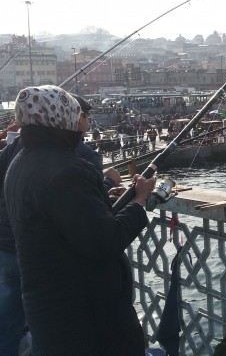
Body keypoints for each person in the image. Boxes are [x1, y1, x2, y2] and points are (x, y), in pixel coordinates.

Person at [4, 85, 156, 355]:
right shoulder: (65, 170)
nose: (80, 124)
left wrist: (101, 199)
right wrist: (140, 201)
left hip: (47, 306)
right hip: (84, 313)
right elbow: (105, 242)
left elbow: (60, 219)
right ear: (60, 117)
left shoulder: (21, 162)